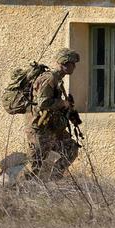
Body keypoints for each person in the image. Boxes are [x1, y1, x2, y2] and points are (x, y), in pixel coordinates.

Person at [25, 48, 80, 180]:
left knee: (71, 148)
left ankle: (53, 180)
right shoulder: (49, 78)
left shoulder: (58, 79)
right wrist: (63, 103)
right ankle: (16, 189)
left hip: (52, 127)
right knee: (34, 165)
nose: (74, 66)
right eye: (73, 63)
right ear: (65, 63)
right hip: (40, 128)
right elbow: (43, 102)